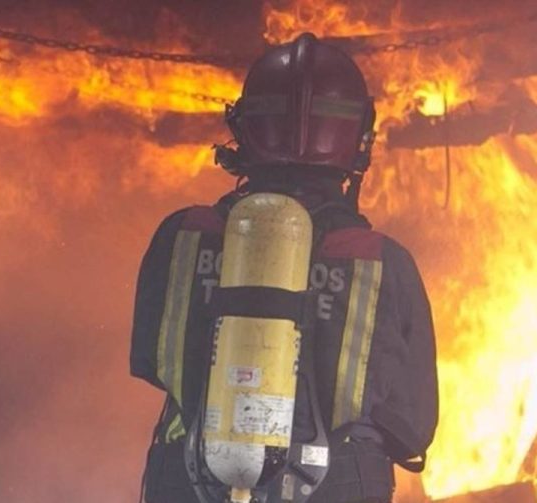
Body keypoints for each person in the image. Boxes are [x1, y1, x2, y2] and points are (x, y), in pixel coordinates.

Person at [130, 32, 438, 503]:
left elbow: (151, 363)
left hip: (188, 485)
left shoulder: (181, 237)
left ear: (244, 128)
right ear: (359, 141)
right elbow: (413, 431)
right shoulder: (382, 262)